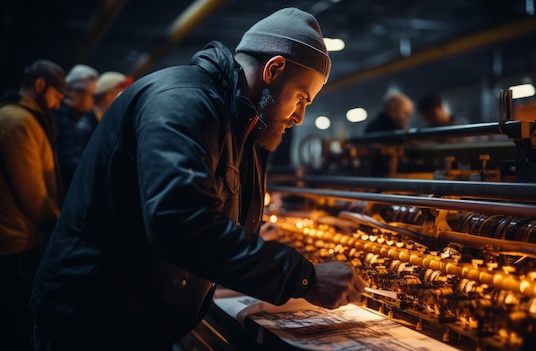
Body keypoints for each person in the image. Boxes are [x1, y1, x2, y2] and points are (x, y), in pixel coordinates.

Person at [31, 7, 365, 351]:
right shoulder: (183, 102)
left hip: (130, 318)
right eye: (301, 98)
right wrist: (303, 277)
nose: (299, 116)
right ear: (274, 68)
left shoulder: (240, 124)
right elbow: (181, 222)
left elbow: (209, 212)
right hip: (91, 324)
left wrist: (255, 245)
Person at [0, 59, 67, 351]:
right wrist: (58, 222)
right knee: (13, 326)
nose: (56, 105)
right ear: (40, 85)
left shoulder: (20, 118)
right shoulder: (19, 121)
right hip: (12, 241)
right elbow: (31, 192)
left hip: (14, 237)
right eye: (57, 95)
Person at [54, 64, 99, 192]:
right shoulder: (62, 117)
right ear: (73, 92)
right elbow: (70, 163)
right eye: (92, 95)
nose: (93, 101)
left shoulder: (74, 117)